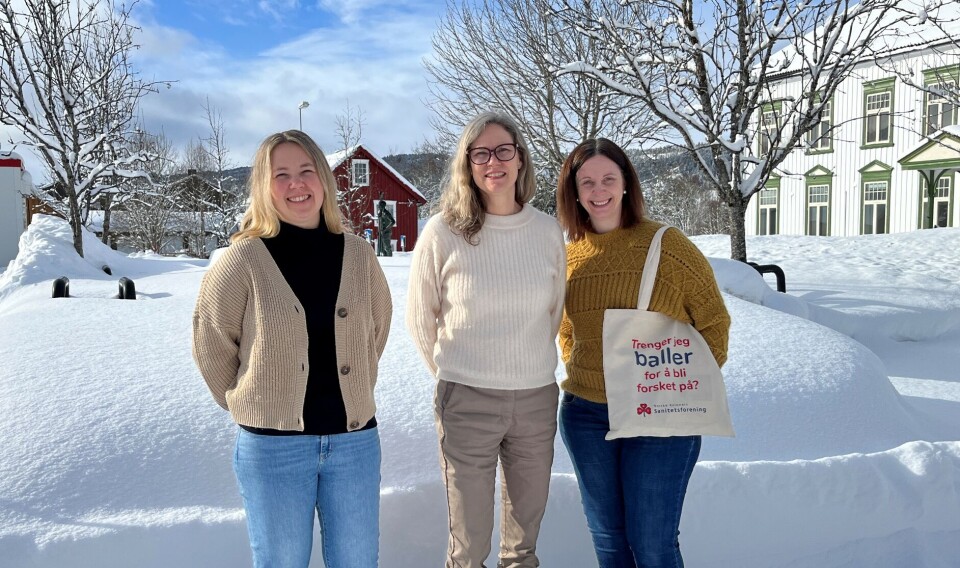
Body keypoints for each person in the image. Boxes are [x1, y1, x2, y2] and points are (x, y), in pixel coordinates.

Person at [192, 130, 392, 568]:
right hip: (272, 450)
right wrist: (255, 403)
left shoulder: (359, 255)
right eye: (281, 174)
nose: (296, 184)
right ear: (264, 187)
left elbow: (375, 332)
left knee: (358, 561)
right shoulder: (240, 260)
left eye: (306, 171)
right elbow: (212, 345)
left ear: (323, 179)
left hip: (354, 444)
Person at [555, 138, 730, 568]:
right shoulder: (566, 253)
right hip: (586, 414)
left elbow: (714, 323)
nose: (599, 191)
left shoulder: (666, 245)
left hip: (660, 418)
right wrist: (589, 367)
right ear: (574, 192)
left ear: (627, 184)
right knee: (609, 541)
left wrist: (673, 381)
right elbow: (566, 326)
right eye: (587, 182)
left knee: (652, 546)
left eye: (608, 179)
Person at [406, 112, 566, 568]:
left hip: (535, 399)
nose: (492, 162)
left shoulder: (546, 231)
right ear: (467, 164)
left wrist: (526, 363)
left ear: (520, 159)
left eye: (503, 150)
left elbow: (552, 312)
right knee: (469, 544)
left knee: (522, 546)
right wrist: (456, 375)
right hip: (467, 400)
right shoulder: (442, 232)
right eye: (480, 153)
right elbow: (422, 319)